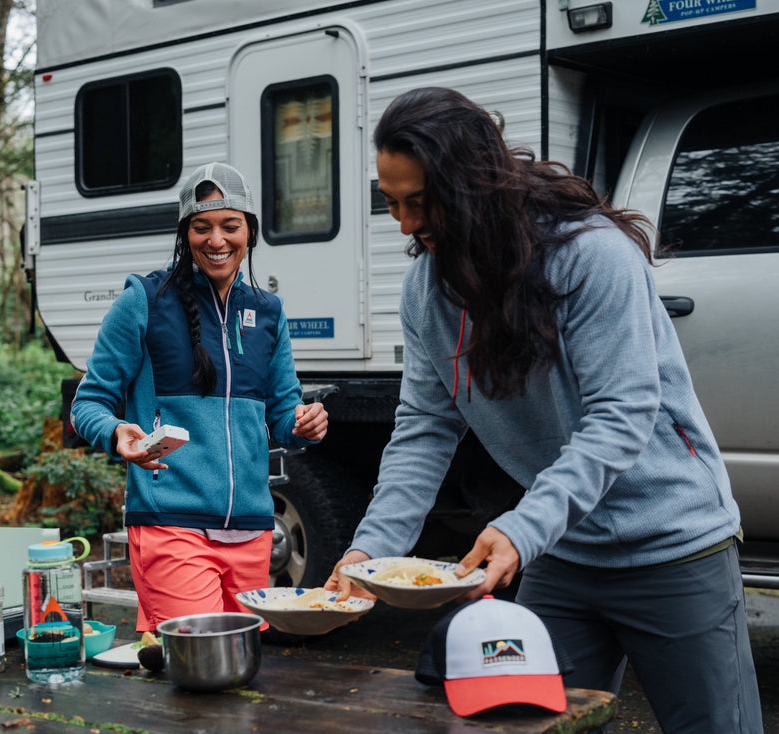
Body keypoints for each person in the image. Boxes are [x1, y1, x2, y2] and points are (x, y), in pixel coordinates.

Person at [325, 87, 762, 732]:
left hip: (671, 545)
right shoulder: (427, 288)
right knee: (528, 722)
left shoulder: (591, 255)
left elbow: (622, 413)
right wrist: (371, 551)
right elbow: (424, 427)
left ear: (472, 185)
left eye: (420, 202)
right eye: (391, 203)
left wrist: (520, 529)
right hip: (563, 550)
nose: (406, 224)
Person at [72, 162, 328, 633]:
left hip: (253, 528)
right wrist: (115, 433)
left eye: (230, 226)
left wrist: (304, 424)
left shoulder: (267, 313)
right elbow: (87, 403)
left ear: (249, 231)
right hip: (171, 521)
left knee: (238, 669)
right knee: (196, 661)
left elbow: (282, 419)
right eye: (201, 227)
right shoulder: (144, 301)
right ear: (184, 233)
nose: (216, 240)